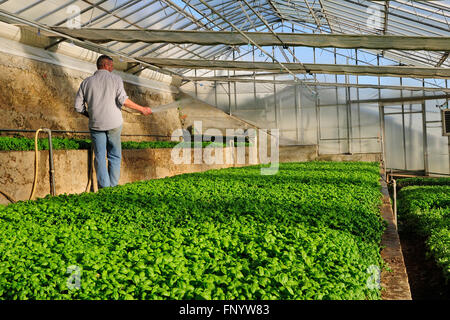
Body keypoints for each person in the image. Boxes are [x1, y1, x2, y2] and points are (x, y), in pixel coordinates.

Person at [74, 55, 152, 189]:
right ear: (106, 65)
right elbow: (123, 100)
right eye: (111, 65)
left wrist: (91, 115)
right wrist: (142, 109)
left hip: (96, 124)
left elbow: (78, 107)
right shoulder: (115, 79)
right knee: (114, 155)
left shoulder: (86, 82)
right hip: (114, 124)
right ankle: (114, 186)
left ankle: (104, 188)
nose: (113, 68)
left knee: (99, 156)